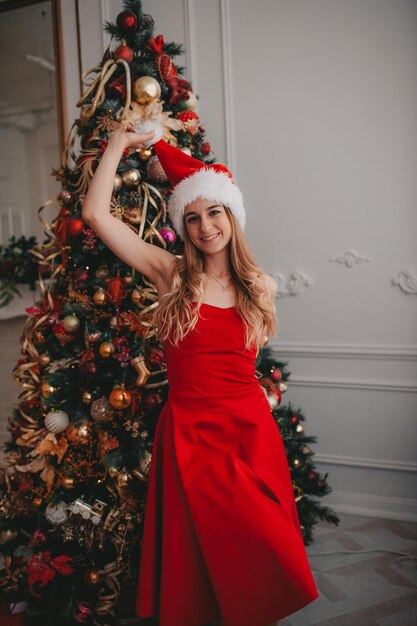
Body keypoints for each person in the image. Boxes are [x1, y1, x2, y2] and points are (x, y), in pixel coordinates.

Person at [82, 124, 319, 626]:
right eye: (192, 218)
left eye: (214, 213)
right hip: (191, 434)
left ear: (232, 216)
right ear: (182, 226)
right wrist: (121, 145)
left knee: (261, 543)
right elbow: (95, 214)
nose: (205, 227)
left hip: (250, 432)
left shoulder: (262, 286)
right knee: (201, 553)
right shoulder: (171, 273)